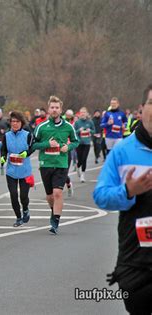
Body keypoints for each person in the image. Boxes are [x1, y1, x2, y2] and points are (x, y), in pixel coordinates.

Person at [93, 87, 152, 315]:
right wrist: (128, 191)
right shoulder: (123, 151)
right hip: (134, 260)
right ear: (141, 110)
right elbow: (101, 196)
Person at [32, 96, 79, 234]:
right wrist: (48, 144)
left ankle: (55, 221)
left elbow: (76, 141)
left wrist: (68, 147)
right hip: (46, 163)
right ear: (48, 109)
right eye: (52, 107)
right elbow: (33, 144)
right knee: (50, 196)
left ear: (61, 109)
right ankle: (53, 211)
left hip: (61, 163)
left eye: (57, 107)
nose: (54, 110)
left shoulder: (68, 127)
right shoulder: (41, 127)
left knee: (58, 192)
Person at [0, 111, 33, 227]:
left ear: (21, 123)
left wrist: (26, 153)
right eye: (13, 121)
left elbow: (33, 147)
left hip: (25, 170)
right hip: (11, 171)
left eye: (17, 121)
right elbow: (3, 149)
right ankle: (18, 218)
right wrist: (3, 158)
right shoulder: (7, 136)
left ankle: (25, 209)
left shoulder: (27, 134)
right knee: (13, 194)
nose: (15, 124)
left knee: (23, 196)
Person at [74, 107, 95, 183]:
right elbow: (74, 132)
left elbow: (94, 131)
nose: (83, 114)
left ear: (86, 113)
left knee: (84, 158)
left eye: (84, 112)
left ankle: (83, 175)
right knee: (80, 159)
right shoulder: (77, 122)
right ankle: (78, 166)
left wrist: (90, 131)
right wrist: (79, 130)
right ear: (80, 114)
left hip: (87, 142)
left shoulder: (90, 122)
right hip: (79, 143)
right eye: (81, 112)